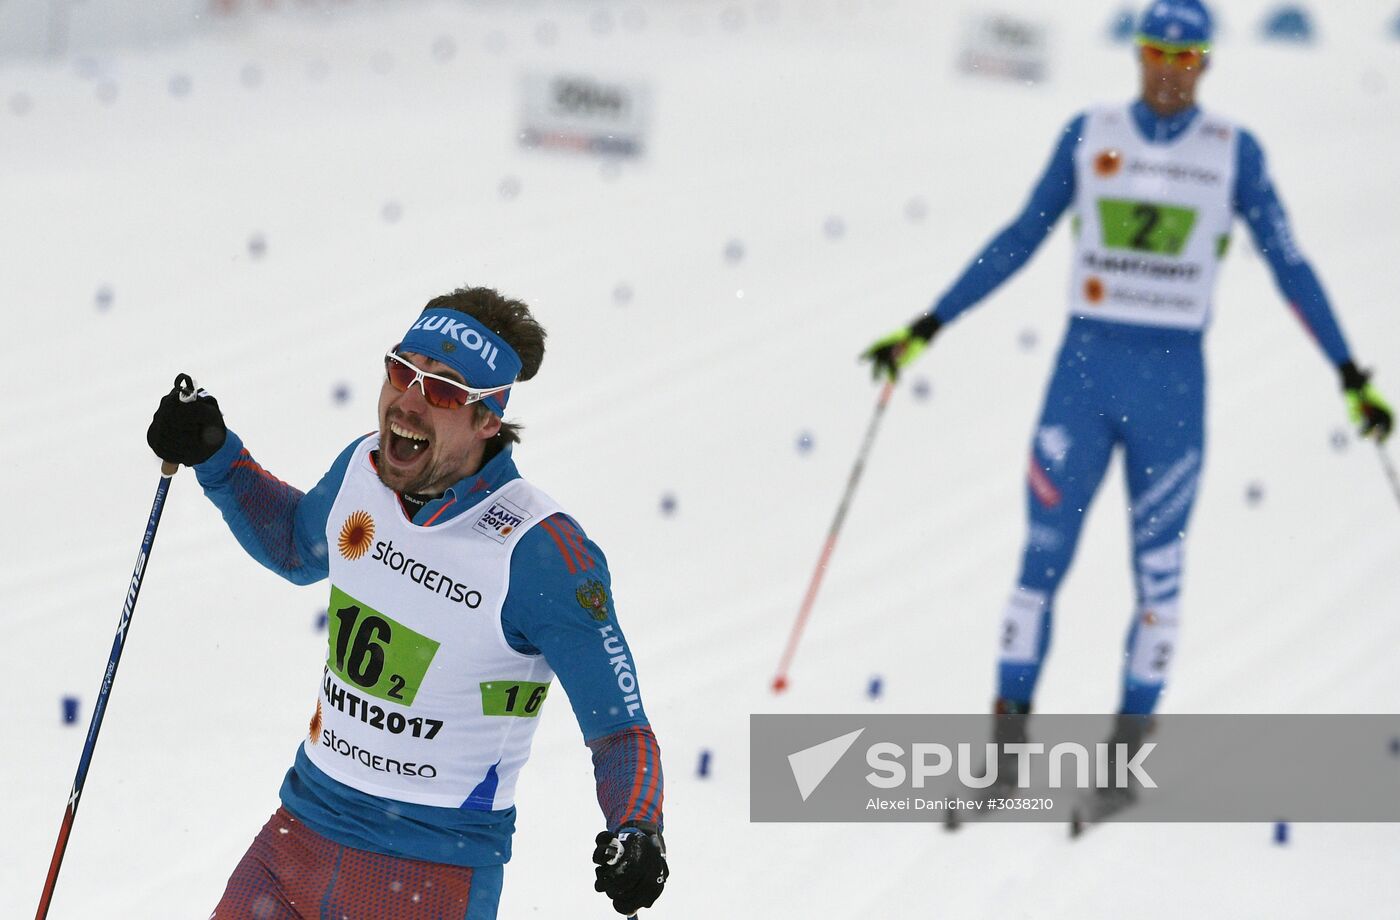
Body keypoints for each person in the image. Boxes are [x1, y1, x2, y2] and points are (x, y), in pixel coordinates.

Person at [862, 0, 1393, 785]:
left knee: (1159, 579)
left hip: (1172, 393)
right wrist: (928, 324)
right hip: (1082, 380)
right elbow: (1020, 237)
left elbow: (1290, 264)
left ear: (1206, 62)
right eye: (1155, 54)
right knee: (1039, 566)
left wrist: (1349, 372)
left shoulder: (1234, 153)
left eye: (1184, 59)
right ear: (1138, 55)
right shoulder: (1090, 133)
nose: (1169, 72)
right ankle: (1005, 750)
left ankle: (1123, 761)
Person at [147, 286, 667, 918]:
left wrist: (636, 828)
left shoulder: (540, 552)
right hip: (297, 840)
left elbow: (620, 729)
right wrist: (217, 455)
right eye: (403, 371)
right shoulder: (364, 468)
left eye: (444, 390)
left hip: (430, 876)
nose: (408, 402)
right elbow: (295, 546)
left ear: (487, 419)